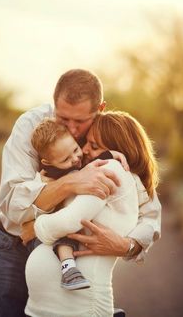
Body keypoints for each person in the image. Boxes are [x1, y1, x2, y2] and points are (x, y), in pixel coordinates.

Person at [0, 69, 161, 317]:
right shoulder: (31, 126)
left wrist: (127, 245)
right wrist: (72, 183)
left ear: (100, 108)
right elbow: (12, 202)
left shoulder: (107, 133)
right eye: (63, 118)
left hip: (69, 249)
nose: (72, 128)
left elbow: (150, 211)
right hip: (12, 245)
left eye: (80, 122)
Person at [25, 110, 160, 317]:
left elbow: (151, 220)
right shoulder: (89, 168)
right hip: (55, 307)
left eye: (94, 146)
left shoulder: (110, 170)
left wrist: (37, 225)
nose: (84, 150)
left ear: (120, 150)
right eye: (85, 142)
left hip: (80, 307)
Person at [31, 117, 129, 291]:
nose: (76, 159)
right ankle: (68, 268)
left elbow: (92, 163)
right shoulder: (51, 171)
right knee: (65, 237)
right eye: (66, 159)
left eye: (76, 149)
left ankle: (99, 302)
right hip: (60, 217)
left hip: (76, 217)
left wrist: (111, 154)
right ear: (48, 162)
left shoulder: (76, 158)